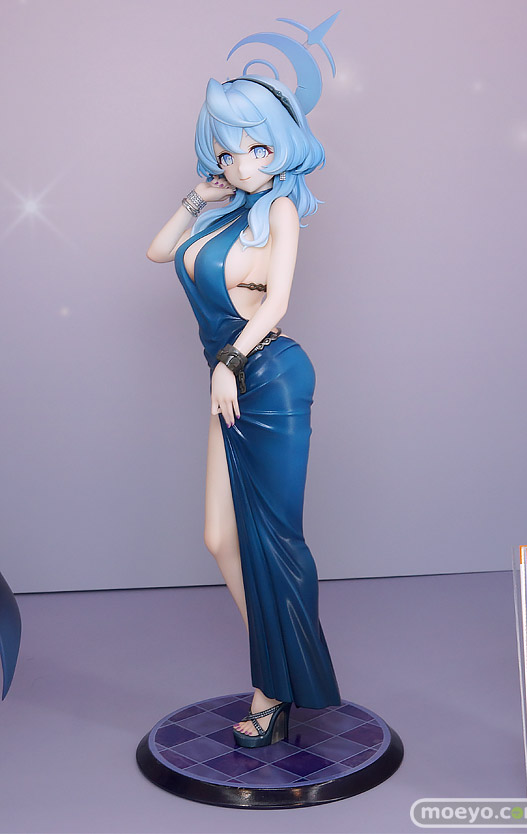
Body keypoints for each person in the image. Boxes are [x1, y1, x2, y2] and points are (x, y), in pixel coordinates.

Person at [147, 74, 341, 747]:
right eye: (228, 153)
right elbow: (159, 251)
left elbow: (278, 302)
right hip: (227, 381)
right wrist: (196, 198)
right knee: (220, 538)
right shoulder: (227, 212)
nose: (242, 165)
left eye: (257, 148)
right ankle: (282, 669)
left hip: (269, 376)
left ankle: (272, 690)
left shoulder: (281, 208)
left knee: (276, 539)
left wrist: (229, 361)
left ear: (282, 143)